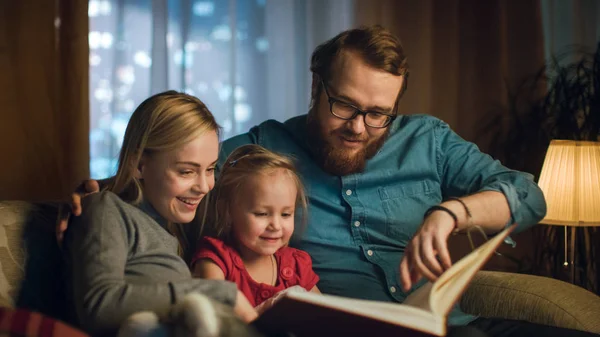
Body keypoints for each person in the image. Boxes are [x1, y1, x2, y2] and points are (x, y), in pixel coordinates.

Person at [63, 26, 598, 337]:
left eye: (378, 113)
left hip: (451, 325)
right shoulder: (261, 148)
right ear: (316, 84)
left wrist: (452, 212)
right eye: (344, 105)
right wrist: (96, 195)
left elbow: (529, 193)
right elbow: (172, 170)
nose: (358, 128)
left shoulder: (429, 141)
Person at [61, 91, 258, 337]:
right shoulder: (106, 209)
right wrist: (218, 293)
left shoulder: (171, 220)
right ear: (139, 165)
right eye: (186, 171)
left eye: (209, 169)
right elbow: (99, 306)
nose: (205, 186)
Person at [191, 144, 320, 312]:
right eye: (261, 214)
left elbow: (328, 315)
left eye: (286, 214)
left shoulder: (297, 265)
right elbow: (218, 313)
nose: (275, 225)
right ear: (227, 211)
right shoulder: (216, 259)